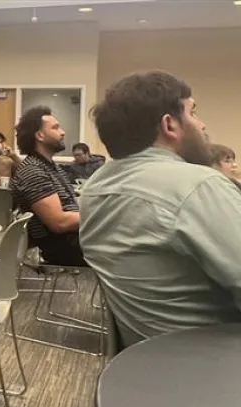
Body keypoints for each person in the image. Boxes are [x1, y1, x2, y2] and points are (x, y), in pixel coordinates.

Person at [79, 70, 241, 348]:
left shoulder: (94, 187)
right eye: (193, 113)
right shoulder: (197, 186)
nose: (202, 125)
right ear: (170, 125)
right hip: (215, 358)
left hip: (147, 355)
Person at [10, 106, 85, 266]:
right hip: (62, 245)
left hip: (75, 237)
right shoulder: (33, 170)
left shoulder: (51, 167)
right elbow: (59, 223)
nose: (63, 132)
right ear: (40, 135)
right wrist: (103, 217)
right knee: (132, 247)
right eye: (55, 128)